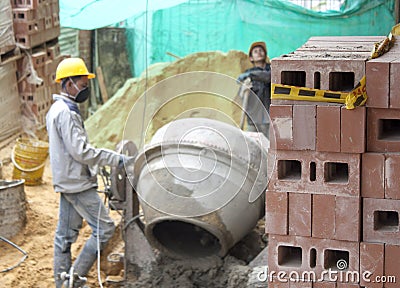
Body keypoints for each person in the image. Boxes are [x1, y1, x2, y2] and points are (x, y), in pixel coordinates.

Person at [46, 57, 133, 288]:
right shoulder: (66, 113)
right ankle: (74, 280)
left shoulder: (57, 109)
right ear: (67, 83)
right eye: (82, 85)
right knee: (104, 229)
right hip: (77, 184)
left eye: (86, 86)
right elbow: (81, 152)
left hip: (67, 179)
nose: (84, 90)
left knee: (64, 237)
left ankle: (62, 282)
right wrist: (117, 159)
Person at [237, 41, 271, 137]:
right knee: (253, 145)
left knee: (268, 147)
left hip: (268, 118)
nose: (259, 52)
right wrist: (244, 89)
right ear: (251, 58)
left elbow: (268, 77)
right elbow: (241, 96)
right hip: (253, 119)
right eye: (255, 51)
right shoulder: (247, 74)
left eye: (261, 50)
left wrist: (251, 76)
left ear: (265, 54)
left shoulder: (271, 70)